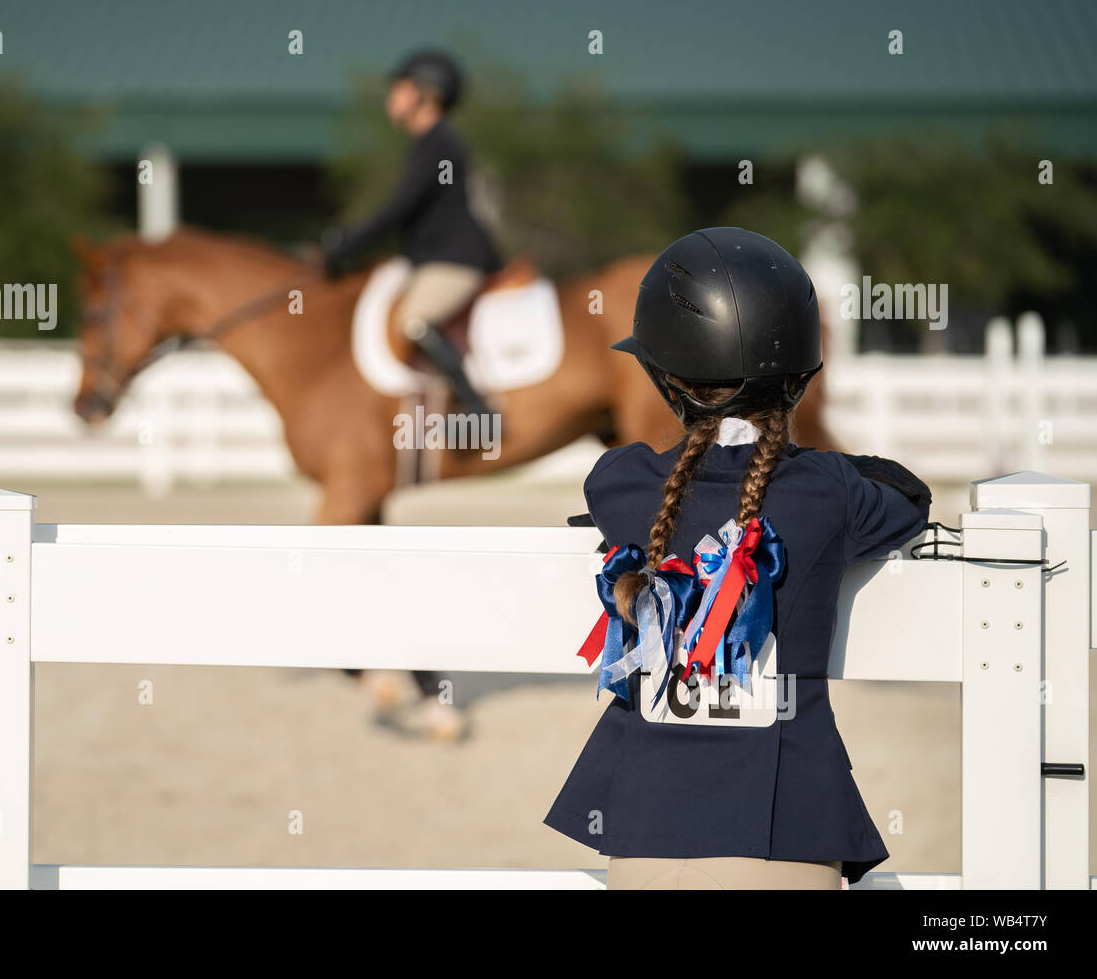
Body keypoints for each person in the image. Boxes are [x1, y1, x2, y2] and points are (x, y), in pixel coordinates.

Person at [543, 227, 932, 889]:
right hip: (788, 833)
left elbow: (652, 475)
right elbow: (907, 492)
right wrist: (821, 459)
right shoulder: (829, 489)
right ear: (801, 378)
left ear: (667, 380)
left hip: (643, 831)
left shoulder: (621, 482)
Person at [320, 49, 503, 417]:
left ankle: (474, 408)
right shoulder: (428, 144)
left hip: (455, 261)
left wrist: (347, 245)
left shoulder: (441, 146)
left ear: (425, 95)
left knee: (414, 319)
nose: (392, 98)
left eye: (400, 89)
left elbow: (400, 208)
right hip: (436, 258)